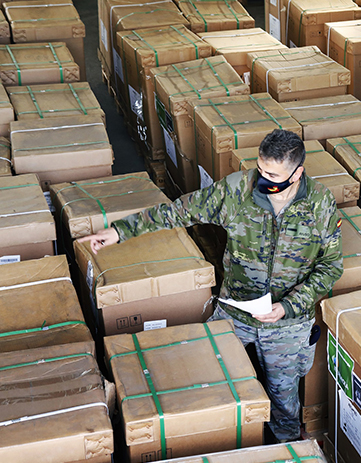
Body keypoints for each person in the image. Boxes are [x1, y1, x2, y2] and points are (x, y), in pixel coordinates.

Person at [79, 129, 343, 442]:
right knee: (206, 377)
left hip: (287, 323)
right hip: (235, 310)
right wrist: (119, 232)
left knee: (284, 402)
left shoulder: (320, 205)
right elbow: (179, 211)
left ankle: (286, 449)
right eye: (260, 170)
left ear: (297, 173)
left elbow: (331, 266)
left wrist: (289, 306)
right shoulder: (237, 191)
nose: (263, 180)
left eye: (273, 174)